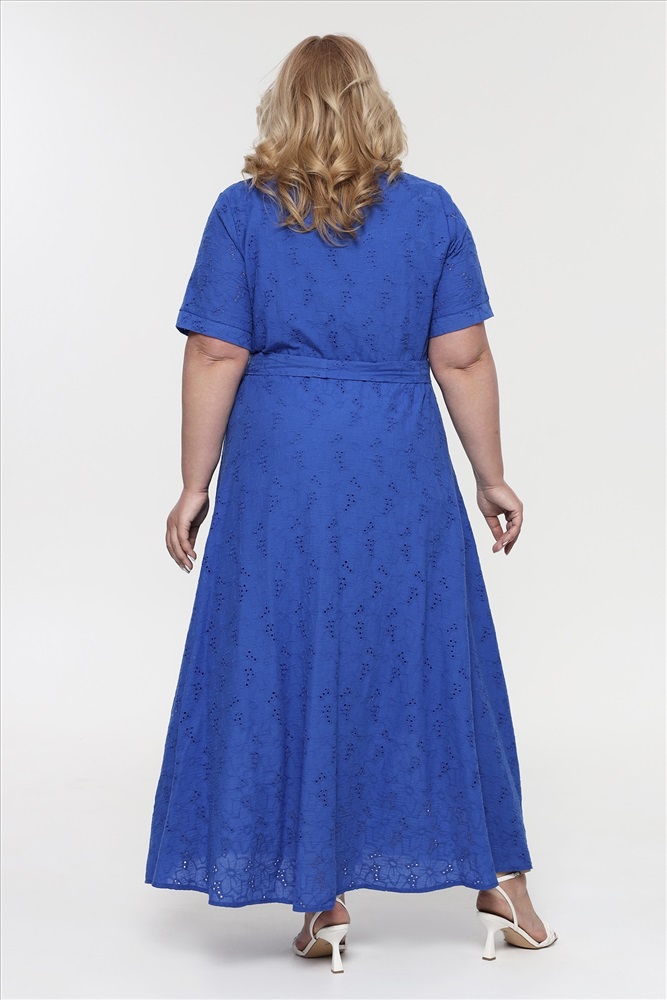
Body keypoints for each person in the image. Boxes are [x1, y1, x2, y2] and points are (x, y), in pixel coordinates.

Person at [144, 34, 557, 973]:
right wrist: (491, 474)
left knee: (288, 650)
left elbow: (215, 350)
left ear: (282, 107)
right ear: (374, 105)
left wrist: (194, 483)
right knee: (432, 651)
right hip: (395, 458)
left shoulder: (242, 213)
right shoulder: (430, 212)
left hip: (281, 464)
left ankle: (320, 894)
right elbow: (462, 357)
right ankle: (504, 884)